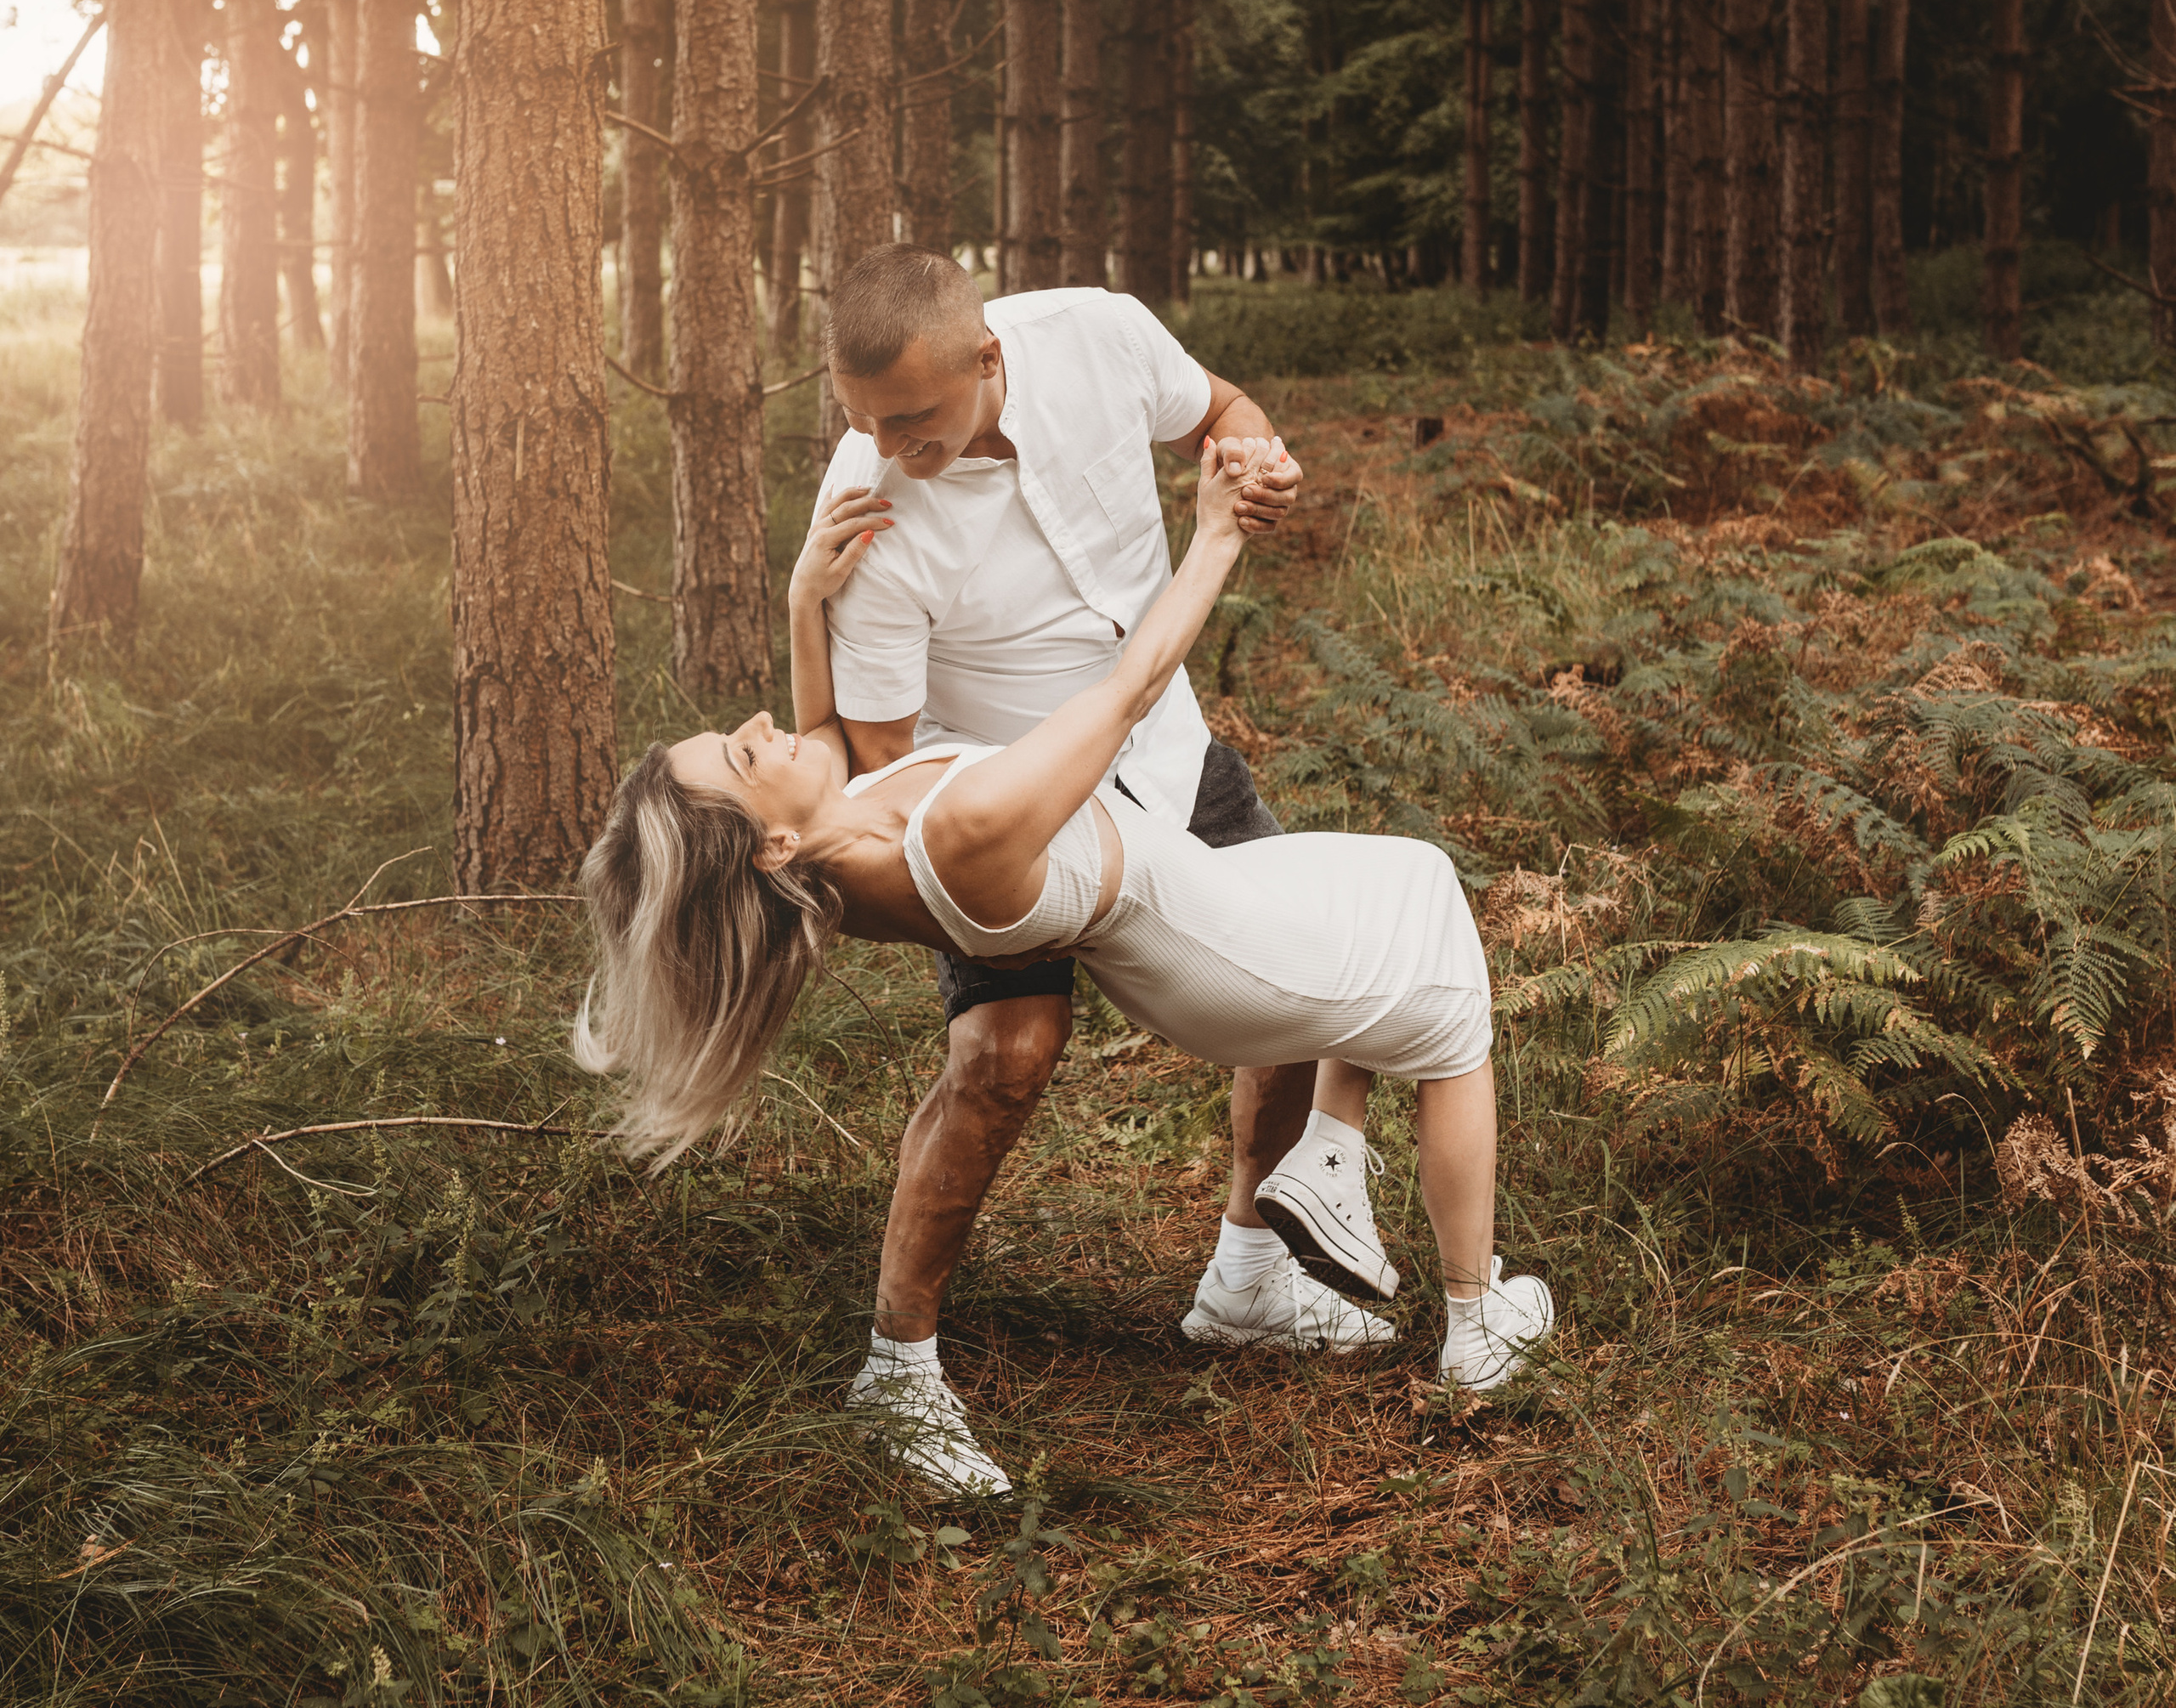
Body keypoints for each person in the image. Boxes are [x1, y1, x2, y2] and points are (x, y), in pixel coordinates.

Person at [575, 431, 1555, 1498]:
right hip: (1222, 950)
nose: (763, 724)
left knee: (1398, 877)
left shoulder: (834, 865)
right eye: (743, 753)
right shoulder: (965, 830)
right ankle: (1473, 1322)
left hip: (1198, 919)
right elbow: (1129, 690)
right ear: (769, 846)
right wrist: (1216, 533)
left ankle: (1324, 1164)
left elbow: (821, 736)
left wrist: (807, 598)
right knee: (1450, 1002)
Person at [794, 251, 1392, 1410]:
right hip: (996, 799)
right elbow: (882, 764)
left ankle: (1250, 1279)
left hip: (1163, 745)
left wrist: (1251, 456)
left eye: (910, 417)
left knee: (1304, 977)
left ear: (988, 356)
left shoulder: (1099, 335)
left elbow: (1219, 408)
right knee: (1005, 1059)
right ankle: (898, 1366)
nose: (883, 444)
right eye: (860, 418)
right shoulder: (866, 510)